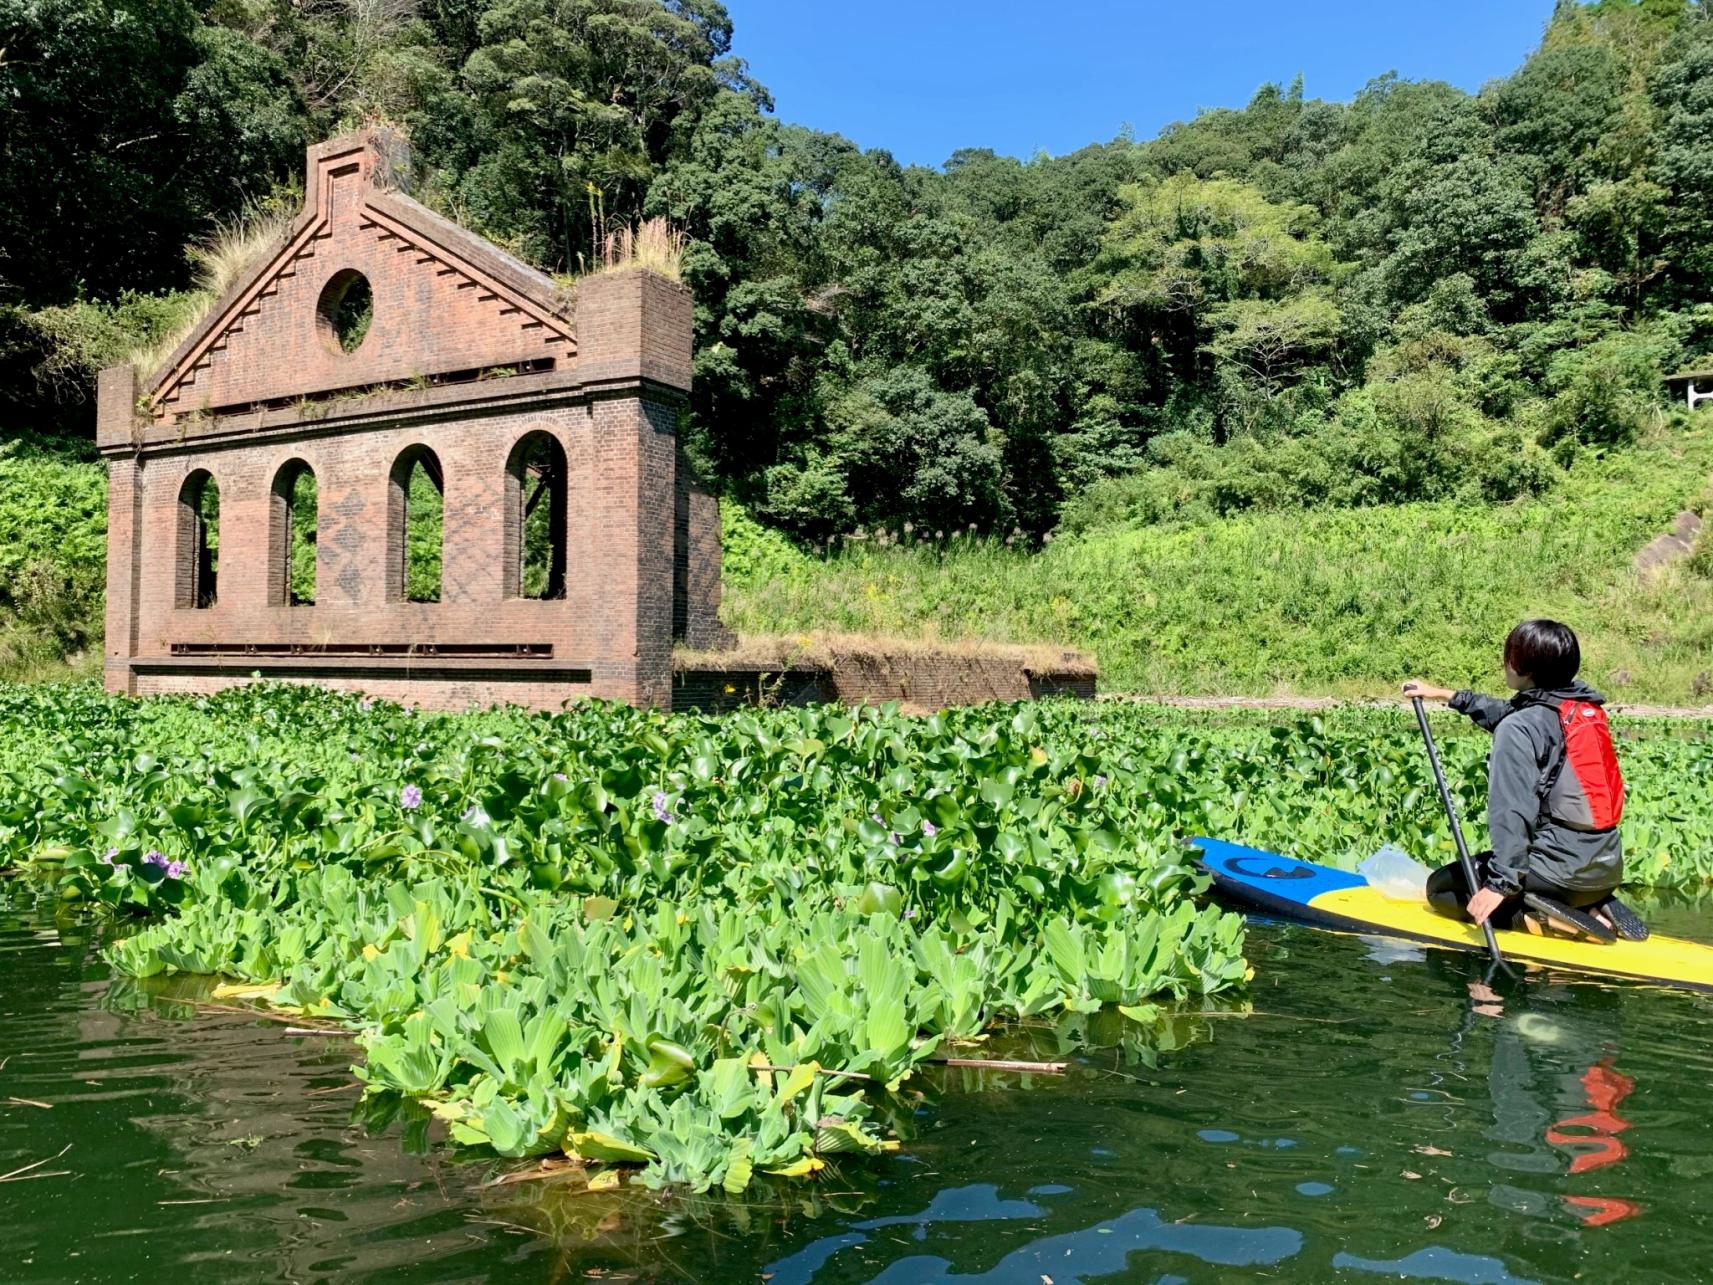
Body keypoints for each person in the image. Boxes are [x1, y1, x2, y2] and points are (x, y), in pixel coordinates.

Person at [1402, 619, 1644, 941]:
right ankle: (1592, 905)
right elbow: (1505, 711)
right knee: (1542, 866)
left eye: (1510, 655)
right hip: (1604, 869)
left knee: (1441, 890)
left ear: (1523, 667)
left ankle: (1542, 919)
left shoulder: (1519, 728)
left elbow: (1513, 811)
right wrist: (1442, 695)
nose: (1505, 663)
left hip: (1558, 874)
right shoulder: (1580, 709)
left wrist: (1500, 884)